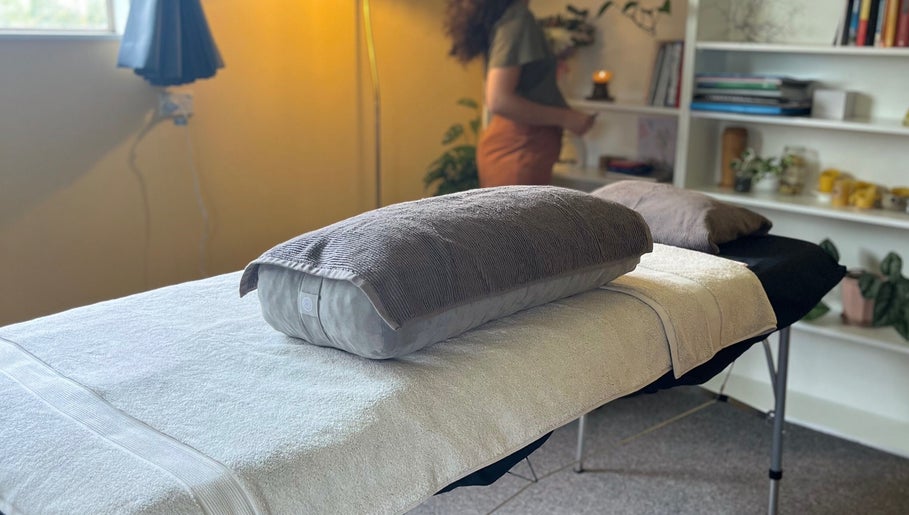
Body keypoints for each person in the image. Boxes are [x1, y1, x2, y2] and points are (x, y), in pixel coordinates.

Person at [445, 0, 597, 187]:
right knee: (518, 216)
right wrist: (566, 118)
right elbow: (498, 100)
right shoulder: (518, 19)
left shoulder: (511, 17)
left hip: (520, 145)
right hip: (519, 148)